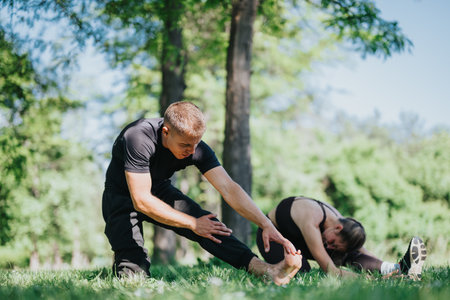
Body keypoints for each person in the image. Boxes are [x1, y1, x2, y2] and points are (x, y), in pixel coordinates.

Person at [102, 101, 302, 285]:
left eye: (196, 143)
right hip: (121, 196)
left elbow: (229, 188)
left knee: (210, 227)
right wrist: (193, 224)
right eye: (185, 145)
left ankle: (267, 271)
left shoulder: (195, 146)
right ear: (166, 131)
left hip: (159, 189)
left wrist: (266, 224)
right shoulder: (138, 137)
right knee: (133, 275)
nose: (191, 150)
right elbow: (142, 200)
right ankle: (125, 258)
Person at [256, 196, 427, 279]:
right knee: (301, 271)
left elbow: (362, 251)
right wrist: (371, 280)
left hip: (297, 238)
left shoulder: (339, 222)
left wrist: (391, 269)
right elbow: (330, 270)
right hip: (272, 238)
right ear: (337, 228)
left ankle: (401, 268)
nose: (329, 247)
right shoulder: (311, 220)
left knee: (348, 254)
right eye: (332, 243)